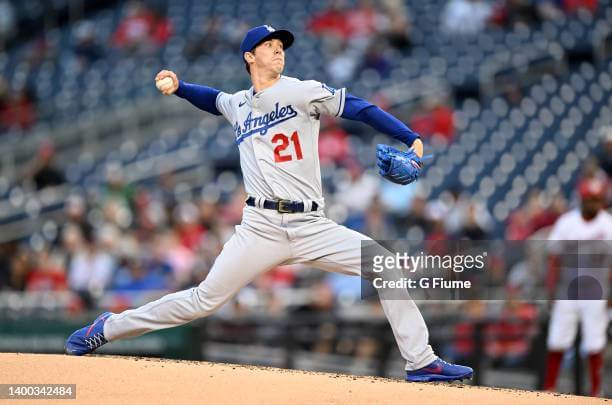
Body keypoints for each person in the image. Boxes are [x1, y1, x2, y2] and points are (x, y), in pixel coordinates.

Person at [65, 25, 473, 382]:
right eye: (269, 44)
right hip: (259, 228)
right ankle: (109, 327)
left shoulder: (301, 90)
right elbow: (214, 99)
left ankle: (421, 361)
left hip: (312, 226)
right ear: (249, 56)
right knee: (205, 299)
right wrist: (181, 86)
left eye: (281, 44)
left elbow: (360, 108)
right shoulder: (238, 104)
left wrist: (410, 137)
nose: (279, 48)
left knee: (385, 266)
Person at [543, 177, 611, 397]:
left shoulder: (607, 224)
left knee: (594, 342)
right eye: (590, 199)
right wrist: (551, 287)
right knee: (557, 339)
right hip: (568, 288)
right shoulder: (567, 222)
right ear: (582, 199)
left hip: (596, 289)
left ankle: (595, 393)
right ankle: (549, 389)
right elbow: (553, 257)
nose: (593, 204)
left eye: (597, 199)